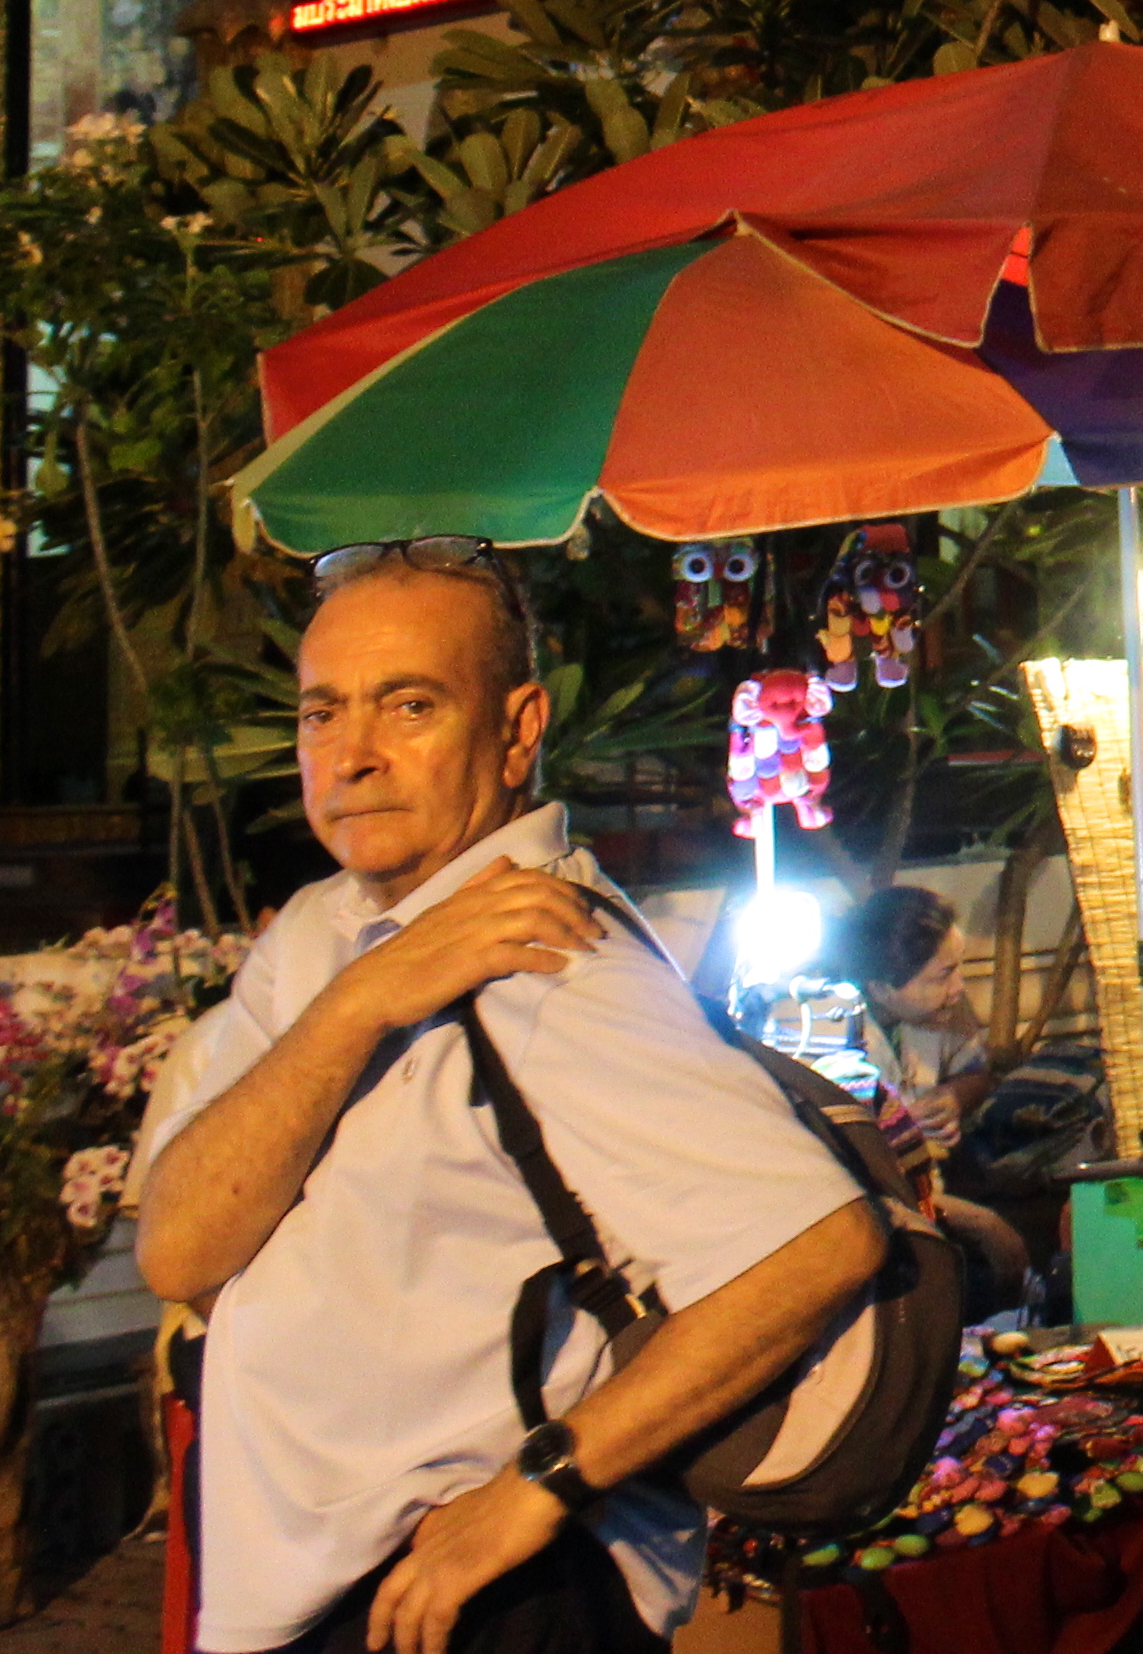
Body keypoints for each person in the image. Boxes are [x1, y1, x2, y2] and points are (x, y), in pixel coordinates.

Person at [137, 542, 889, 1654]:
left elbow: (819, 1246)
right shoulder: (322, 935)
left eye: (409, 707)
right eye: (321, 713)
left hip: (473, 1594)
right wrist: (361, 1003)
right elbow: (180, 1252)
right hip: (305, 1586)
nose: (353, 757)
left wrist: (537, 1489)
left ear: (519, 727)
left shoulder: (551, 959)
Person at [834, 884, 1037, 1321]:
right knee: (996, 1241)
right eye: (942, 975)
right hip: (875, 1201)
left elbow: (977, 1074)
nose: (958, 988)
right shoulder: (833, 1033)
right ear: (881, 988)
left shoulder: (945, 1012)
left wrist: (953, 1097)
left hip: (931, 1186)